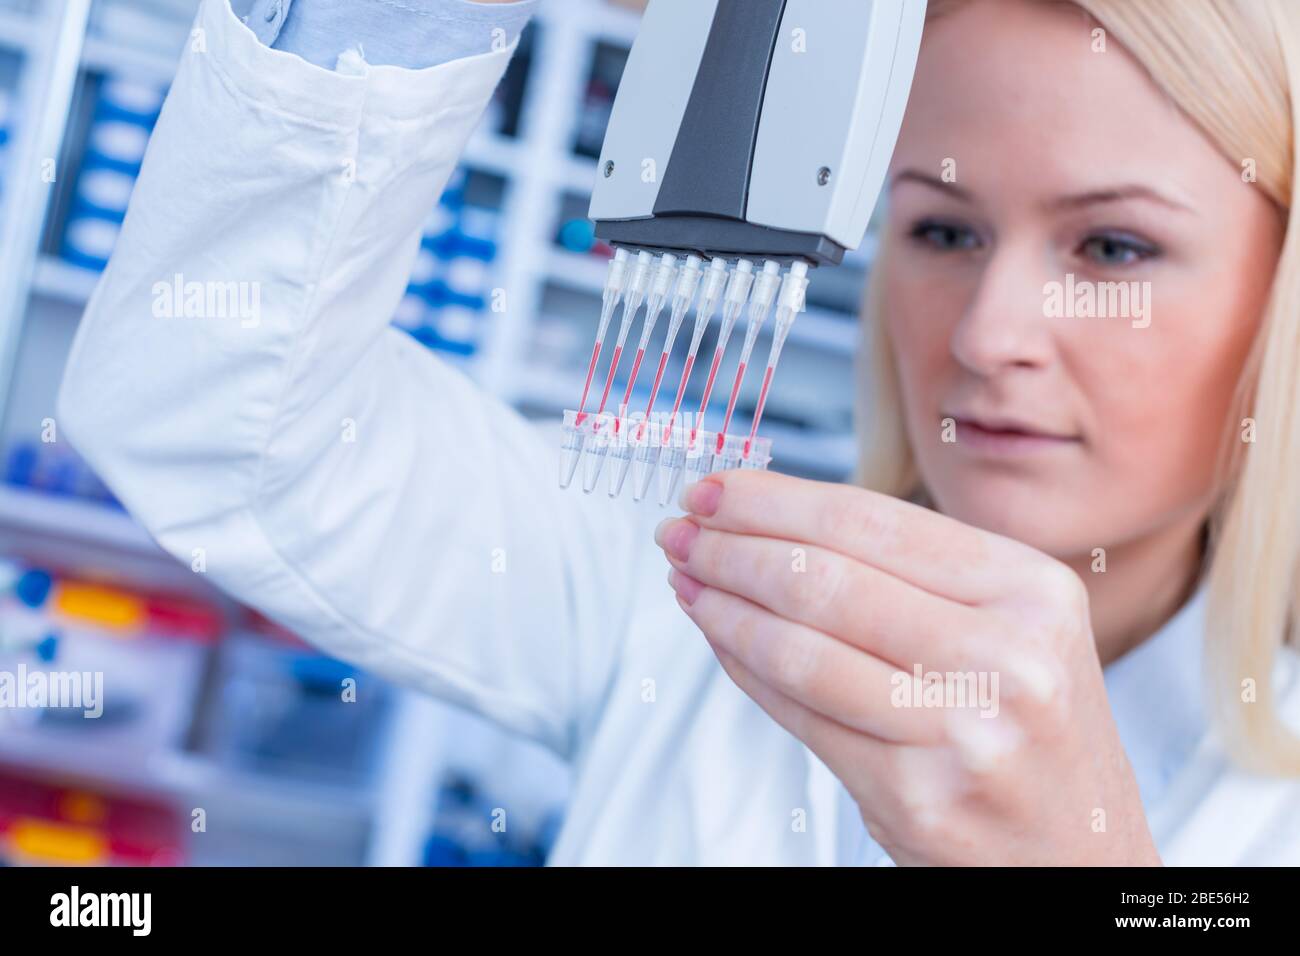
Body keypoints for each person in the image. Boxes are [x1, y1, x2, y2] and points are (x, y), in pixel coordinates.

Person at [57, 0, 1300, 865]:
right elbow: (205, 411)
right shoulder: (690, 573)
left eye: (1112, 247)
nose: (987, 335)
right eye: (943, 229)